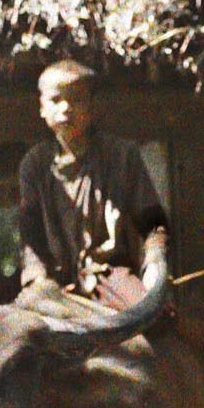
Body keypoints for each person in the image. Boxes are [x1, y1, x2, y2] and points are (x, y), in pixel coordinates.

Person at [18, 59, 170, 313]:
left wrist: (155, 262)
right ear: (42, 108)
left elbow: (152, 218)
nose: (66, 108)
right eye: (56, 100)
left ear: (92, 106)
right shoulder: (34, 164)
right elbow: (30, 232)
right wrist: (37, 279)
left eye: (76, 99)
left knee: (154, 318)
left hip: (110, 277)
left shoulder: (122, 155)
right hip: (53, 284)